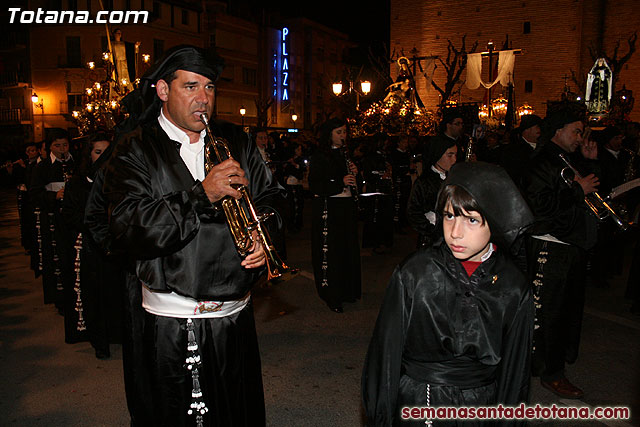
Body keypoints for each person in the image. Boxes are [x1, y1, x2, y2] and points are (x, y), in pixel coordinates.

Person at [103, 45, 284, 426]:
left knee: (237, 412)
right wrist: (202, 195)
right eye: (191, 86)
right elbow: (128, 227)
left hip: (235, 314)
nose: (203, 98)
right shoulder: (135, 147)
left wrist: (261, 236)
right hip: (173, 320)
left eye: (210, 87)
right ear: (163, 91)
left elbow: (272, 199)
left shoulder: (236, 140)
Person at [362, 162, 534, 426]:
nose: (455, 232)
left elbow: (516, 371)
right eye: (449, 216)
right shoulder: (415, 273)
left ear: (496, 222)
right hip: (419, 402)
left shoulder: (512, 286)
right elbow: (385, 355)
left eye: (472, 220)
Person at [523, 108, 599, 399]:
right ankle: (549, 371)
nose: (580, 138)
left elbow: (592, 193)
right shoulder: (541, 162)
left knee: (567, 311)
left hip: (572, 245)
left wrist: (592, 163)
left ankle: (557, 361)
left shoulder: (569, 160)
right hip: (550, 246)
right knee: (549, 313)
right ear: (558, 130)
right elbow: (539, 206)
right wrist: (577, 191)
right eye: (576, 131)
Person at [62, 133, 124, 358]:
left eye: (107, 153)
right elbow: (70, 215)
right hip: (89, 246)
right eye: (98, 152)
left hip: (114, 247)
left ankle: (118, 334)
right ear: (89, 154)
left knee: (116, 292)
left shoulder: (119, 181)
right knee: (94, 295)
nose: (103, 158)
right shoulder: (77, 183)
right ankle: (99, 341)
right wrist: (95, 224)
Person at [309, 118, 361, 313]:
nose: (343, 136)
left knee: (347, 249)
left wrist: (356, 174)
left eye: (344, 132)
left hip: (345, 206)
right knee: (333, 253)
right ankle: (332, 295)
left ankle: (348, 291)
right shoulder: (320, 156)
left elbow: (352, 182)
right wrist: (340, 181)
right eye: (339, 132)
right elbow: (315, 185)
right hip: (329, 208)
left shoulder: (344, 154)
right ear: (329, 133)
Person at [30, 129, 75, 311]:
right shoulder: (42, 167)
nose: (62, 149)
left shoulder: (77, 163)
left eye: (65, 145)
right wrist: (54, 196)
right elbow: (34, 194)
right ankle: (60, 298)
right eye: (57, 145)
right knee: (57, 259)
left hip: (73, 218)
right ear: (50, 147)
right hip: (53, 218)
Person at [407, 135, 458, 248]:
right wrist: (433, 231)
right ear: (437, 154)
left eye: (455, 155)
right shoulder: (424, 182)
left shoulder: (456, 178)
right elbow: (413, 213)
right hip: (433, 243)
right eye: (450, 155)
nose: (454, 160)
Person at [497, 114, 543, 188]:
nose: (540, 129)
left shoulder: (543, 147)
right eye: (537, 126)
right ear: (527, 129)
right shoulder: (513, 151)